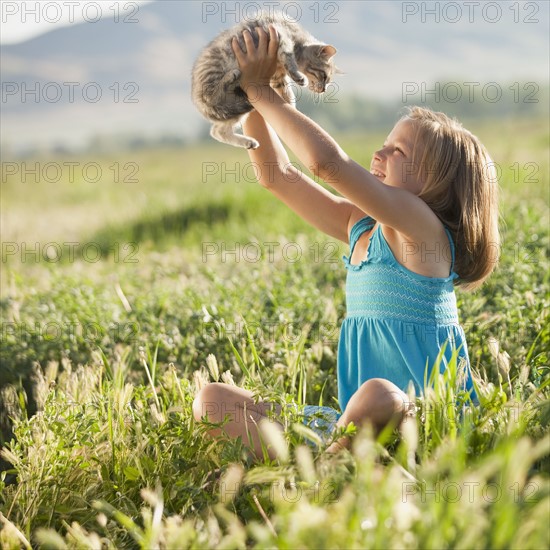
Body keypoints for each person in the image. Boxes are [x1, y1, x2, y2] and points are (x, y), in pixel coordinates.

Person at [192, 26, 500, 459]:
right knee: (213, 400)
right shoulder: (362, 227)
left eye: (400, 152)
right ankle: (333, 459)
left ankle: (325, 471)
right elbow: (276, 176)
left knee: (380, 395)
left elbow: (326, 164)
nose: (380, 153)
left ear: (440, 185)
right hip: (352, 422)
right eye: (385, 143)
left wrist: (263, 90)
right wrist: (257, 88)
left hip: (421, 419)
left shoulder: (424, 230)